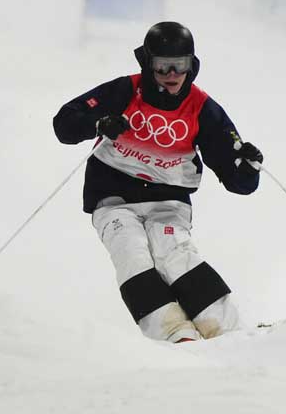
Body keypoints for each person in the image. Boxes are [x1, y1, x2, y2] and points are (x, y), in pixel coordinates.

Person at [53, 21, 263, 343]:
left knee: (174, 252)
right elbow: (64, 123)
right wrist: (98, 123)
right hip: (113, 197)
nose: (170, 74)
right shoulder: (126, 90)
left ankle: (226, 330)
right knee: (131, 252)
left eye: (178, 65)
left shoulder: (201, 108)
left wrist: (247, 168)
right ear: (147, 63)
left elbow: (239, 182)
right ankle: (173, 333)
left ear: (191, 65)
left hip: (168, 203)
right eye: (161, 65)